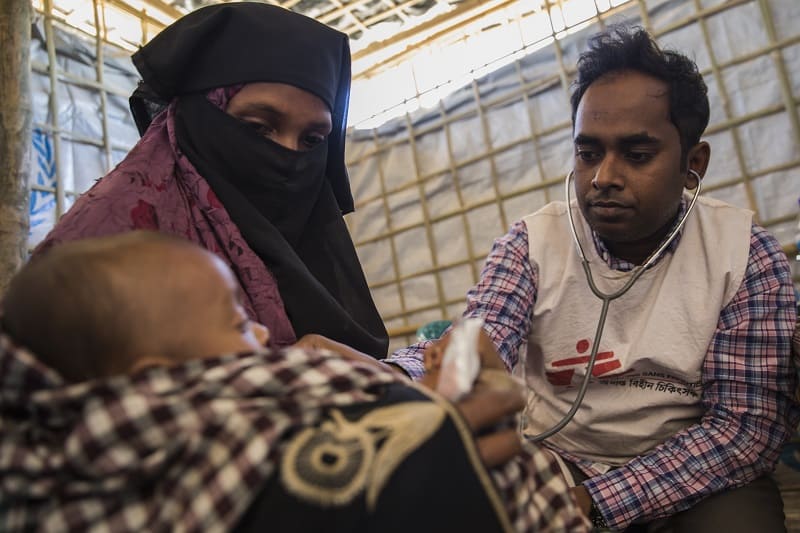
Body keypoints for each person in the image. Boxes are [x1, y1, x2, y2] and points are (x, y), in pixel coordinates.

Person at [386, 25, 800, 532]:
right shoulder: (532, 244)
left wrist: (593, 501)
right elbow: (483, 334)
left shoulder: (743, 253)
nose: (604, 176)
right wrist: (390, 377)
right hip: (560, 456)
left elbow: (743, 429)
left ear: (693, 164)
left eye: (637, 154)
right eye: (588, 153)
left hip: (697, 474)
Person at [0, 232, 589, 532]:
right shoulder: (195, 411)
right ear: (155, 383)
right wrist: (414, 420)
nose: (260, 334)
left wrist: (404, 385)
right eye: (237, 323)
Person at [33, 2, 388, 359]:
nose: (289, 157)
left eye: (312, 141)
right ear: (198, 120)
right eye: (257, 128)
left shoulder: (312, 245)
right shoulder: (108, 245)